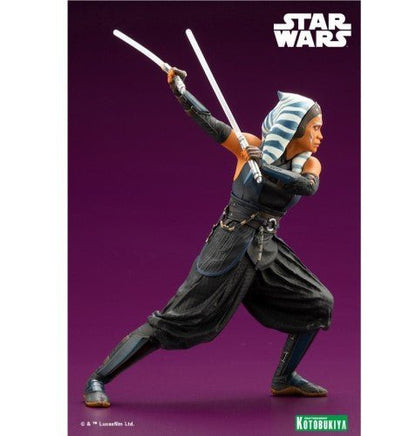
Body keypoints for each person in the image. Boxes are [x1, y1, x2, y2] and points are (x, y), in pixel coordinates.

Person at [83, 68, 334, 408]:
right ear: (295, 126)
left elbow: (307, 187)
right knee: (176, 318)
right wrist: (180, 91)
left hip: (266, 250)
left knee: (318, 302)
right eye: (315, 127)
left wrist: (267, 168)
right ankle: (98, 378)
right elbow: (211, 124)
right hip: (230, 244)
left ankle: (284, 378)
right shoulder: (250, 146)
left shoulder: (309, 164)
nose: (320, 135)